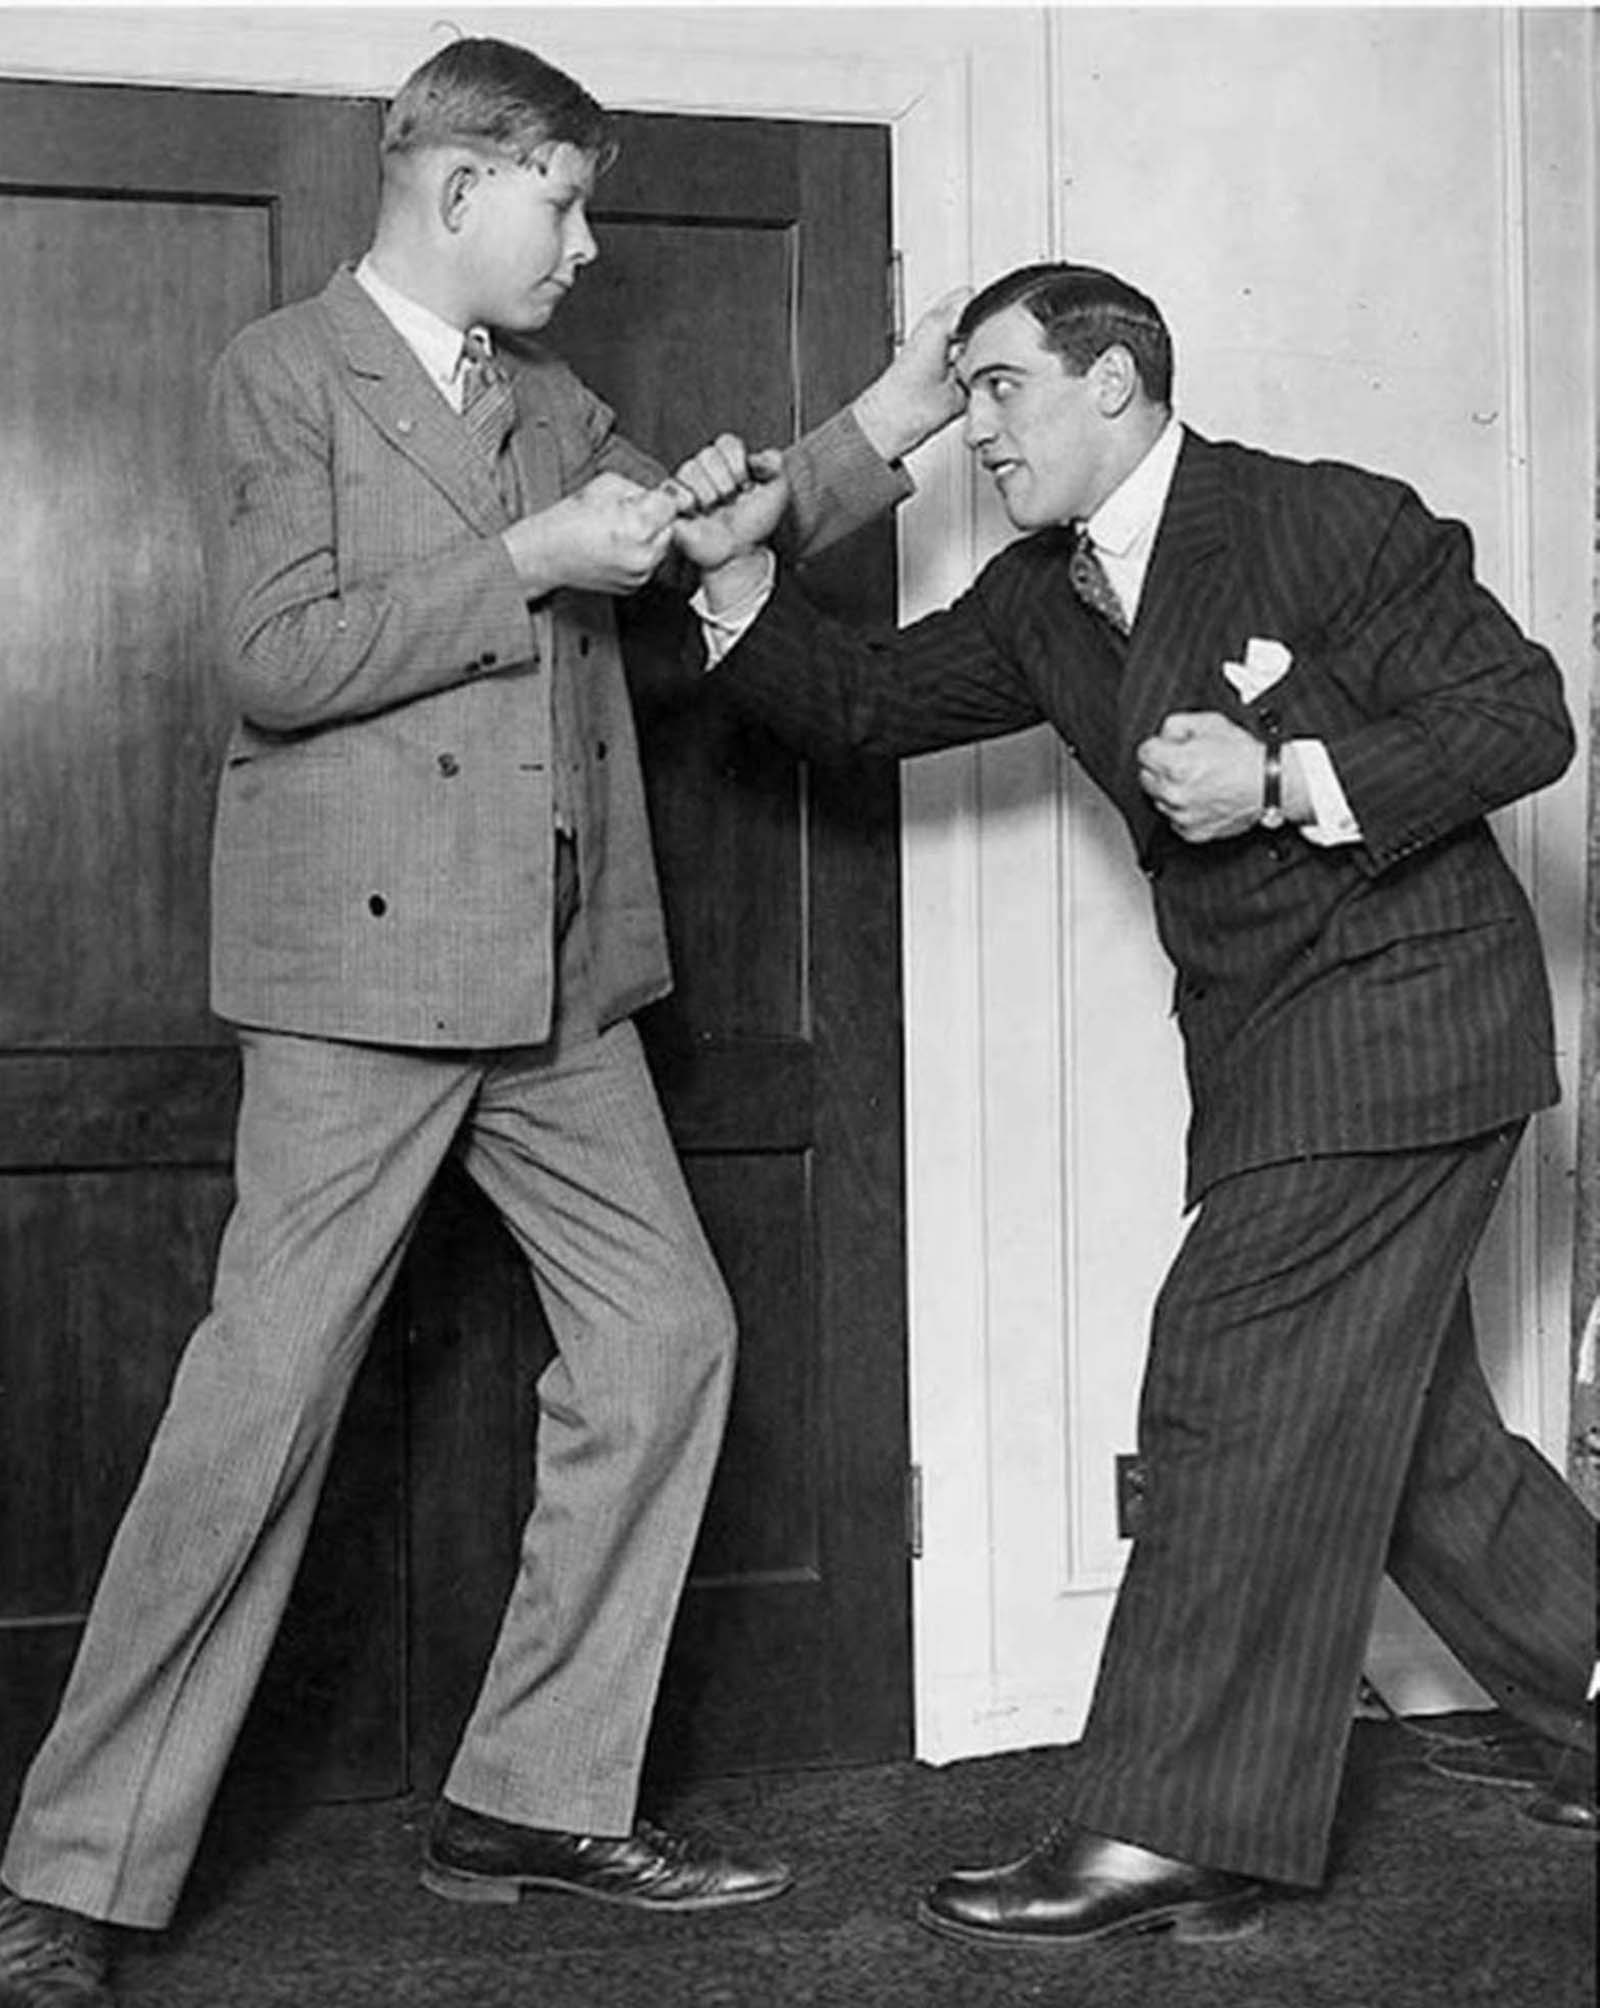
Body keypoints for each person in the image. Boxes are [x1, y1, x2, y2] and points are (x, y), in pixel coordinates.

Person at [0, 38, 959, 2007]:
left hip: (551, 980)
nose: (588, 244)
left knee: (667, 1331)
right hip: (359, 988)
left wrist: (888, 414)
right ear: (459, 186)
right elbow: (275, 660)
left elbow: (704, 543)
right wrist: (527, 558)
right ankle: (74, 1869)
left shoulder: (547, 396)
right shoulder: (284, 375)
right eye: (566, 202)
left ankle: (528, 1792)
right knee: (256, 1409)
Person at [684, 259, 1599, 1950]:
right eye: (962, 397)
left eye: (1003, 389)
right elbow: (865, 706)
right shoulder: (1048, 599)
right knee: (1399, 1441)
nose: (978, 430)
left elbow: (1521, 715)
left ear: (1115, 384)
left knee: (1226, 1379)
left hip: (1413, 1022)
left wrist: (1287, 780)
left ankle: (1169, 1828)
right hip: (1274, 1052)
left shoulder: (1323, 520)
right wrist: (741, 580)